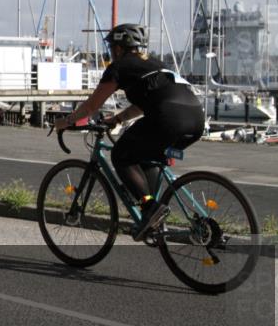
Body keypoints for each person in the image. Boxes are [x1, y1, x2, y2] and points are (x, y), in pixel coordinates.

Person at [54, 23, 205, 240]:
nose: (110, 52)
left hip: (169, 117)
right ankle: (150, 216)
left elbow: (91, 106)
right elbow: (145, 102)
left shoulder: (119, 67)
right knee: (147, 158)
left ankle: (151, 209)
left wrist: (66, 121)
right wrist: (117, 119)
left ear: (118, 48)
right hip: (195, 118)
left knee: (121, 155)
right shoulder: (154, 63)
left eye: (111, 47)